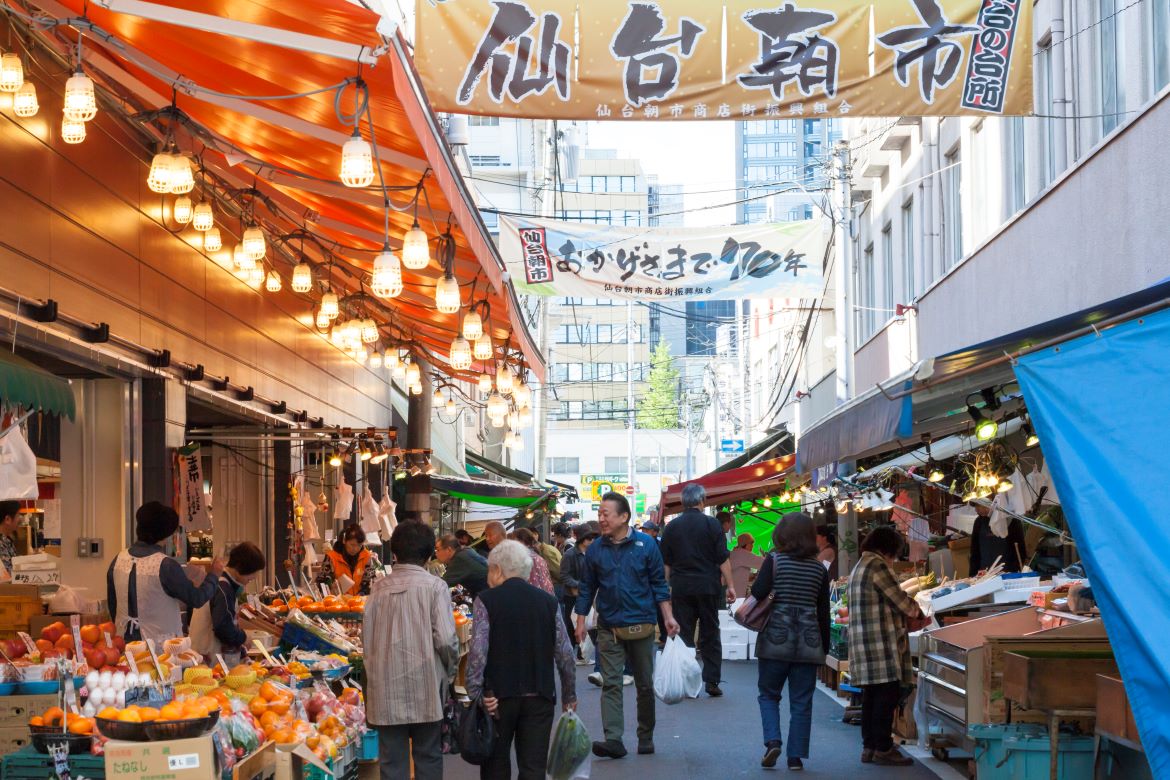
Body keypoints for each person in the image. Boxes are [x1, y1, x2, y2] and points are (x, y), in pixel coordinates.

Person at [575, 492, 679, 760]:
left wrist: (667, 616)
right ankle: (614, 739)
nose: (601, 519)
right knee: (611, 683)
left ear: (624, 516)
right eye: (599, 513)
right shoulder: (596, 548)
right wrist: (580, 619)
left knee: (644, 684)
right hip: (608, 626)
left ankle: (645, 735)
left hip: (642, 624)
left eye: (605, 513)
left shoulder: (646, 545)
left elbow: (659, 583)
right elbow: (587, 586)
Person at [466, 541, 578, 779]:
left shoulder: (486, 601)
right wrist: (569, 694)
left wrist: (476, 694)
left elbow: (477, 653)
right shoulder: (548, 602)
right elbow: (565, 652)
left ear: (497, 569)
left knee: (495, 766)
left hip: (497, 698)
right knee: (533, 768)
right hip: (540, 694)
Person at [364, 522, 459, 780]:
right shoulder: (435, 587)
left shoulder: (378, 589)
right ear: (429, 555)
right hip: (426, 686)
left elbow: (367, 642)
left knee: (392, 764)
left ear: (394, 553)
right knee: (428, 757)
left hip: (385, 690)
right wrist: (449, 674)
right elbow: (447, 639)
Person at [752, 513, 830, 770]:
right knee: (801, 700)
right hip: (808, 641)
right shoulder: (819, 568)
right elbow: (823, 612)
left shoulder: (774, 560)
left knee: (769, 694)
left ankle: (773, 741)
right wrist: (824, 647)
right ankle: (795, 757)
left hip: (776, 636)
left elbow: (758, 592)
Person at [846, 526, 924, 767]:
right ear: (886, 548)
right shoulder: (877, 566)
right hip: (879, 644)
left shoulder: (860, 566)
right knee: (886, 696)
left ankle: (869, 747)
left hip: (865, 642)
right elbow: (900, 600)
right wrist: (917, 611)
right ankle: (883, 747)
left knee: (872, 695)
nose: (894, 559)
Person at [107, 502, 224, 643]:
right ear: (167, 533)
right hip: (161, 649)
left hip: (125, 643)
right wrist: (214, 575)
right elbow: (196, 598)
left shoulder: (118, 560)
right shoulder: (166, 565)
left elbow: (113, 605)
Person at [658, 483, 736, 697]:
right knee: (710, 633)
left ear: (683, 502)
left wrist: (665, 589)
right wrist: (730, 586)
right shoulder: (712, 525)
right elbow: (723, 559)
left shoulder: (672, 527)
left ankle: (686, 680)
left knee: (683, 633)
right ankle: (711, 680)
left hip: (682, 587)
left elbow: (666, 563)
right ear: (703, 501)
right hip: (708, 587)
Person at [191, 541, 267, 664]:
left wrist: (242, 653)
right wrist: (244, 637)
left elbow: (229, 622)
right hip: (211, 663)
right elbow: (223, 628)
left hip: (211, 660)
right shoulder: (223, 588)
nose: (254, 577)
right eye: (253, 572)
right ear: (240, 567)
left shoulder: (224, 584)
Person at [561, 523, 599, 664]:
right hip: (572, 596)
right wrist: (580, 584)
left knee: (590, 626)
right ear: (582, 539)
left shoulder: (592, 553)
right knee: (572, 627)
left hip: (589, 595)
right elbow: (564, 576)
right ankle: (571, 656)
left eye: (592, 538)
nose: (592, 541)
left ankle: (582, 656)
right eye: (589, 538)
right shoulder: (570, 554)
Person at [316, 523, 383, 596]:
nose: (355, 549)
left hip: (360, 603)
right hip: (338, 604)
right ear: (344, 540)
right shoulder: (331, 557)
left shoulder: (366, 556)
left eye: (359, 545)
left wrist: (361, 595)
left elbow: (370, 582)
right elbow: (321, 582)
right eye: (352, 545)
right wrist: (330, 587)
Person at [969, 502, 1028, 573]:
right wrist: (973, 574)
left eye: (978, 505)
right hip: (984, 574)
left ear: (989, 502)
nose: (976, 509)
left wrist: (1015, 570)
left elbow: (1020, 549)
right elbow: (975, 551)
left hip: (1007, 572)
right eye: (975, 506)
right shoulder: (978, 522)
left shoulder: (1011, 520)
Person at [508, 528, 556, 594]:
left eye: (515, 542)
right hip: (546, 597)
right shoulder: (535, 556)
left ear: (524, 541)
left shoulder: (528, 559)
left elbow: (534, 584)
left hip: (537, 598)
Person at [728, 533, 764, 599]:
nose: (752, 546)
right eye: (751, 544)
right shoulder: (743, 554)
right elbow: (764, 563)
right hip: (736, 595)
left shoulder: (734, 552)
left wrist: (753, 575)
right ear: (745, 544)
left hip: (728, 593)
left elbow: (737, 572)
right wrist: (767, 556)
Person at [0, 501, 21, 576]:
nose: (20, 519)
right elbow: (10, 575)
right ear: (7, 519)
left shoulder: (7, 540)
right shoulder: (1, 544)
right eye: (18, 515)